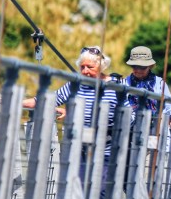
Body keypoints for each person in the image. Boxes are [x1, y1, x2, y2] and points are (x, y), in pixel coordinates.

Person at [22, 46, 118, 188]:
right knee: (76, 189)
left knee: (100, 192)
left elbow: (130, 114)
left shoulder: (117, 86)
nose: (85, 71)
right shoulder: (75, 85)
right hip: (79, 148)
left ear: (101, 66)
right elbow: (48, 99)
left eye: (90, 67)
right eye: (82, 67)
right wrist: (14, 100)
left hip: (105, 150)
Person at [123, 46, 171, 119]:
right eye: (134, 66)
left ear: (150, 66)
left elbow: (170, 109)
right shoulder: (125, 82)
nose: (138, 70)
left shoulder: (160, 84)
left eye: (142, 67)